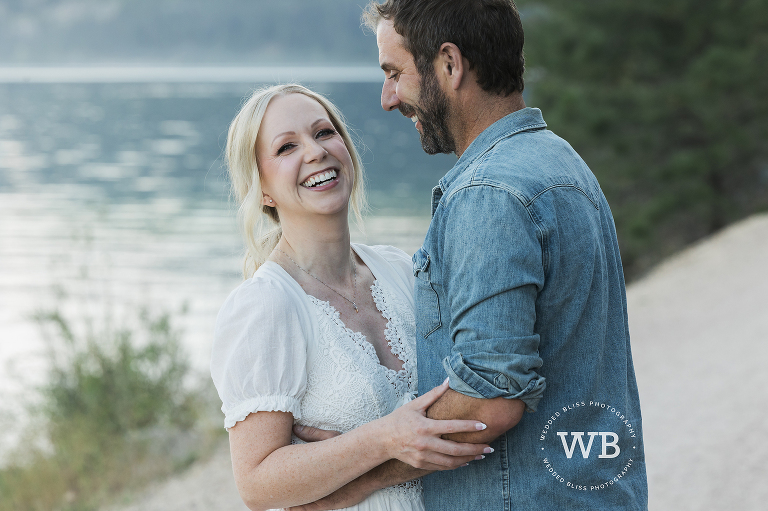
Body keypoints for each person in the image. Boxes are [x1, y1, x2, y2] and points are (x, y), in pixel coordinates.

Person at [290, 1, 649, 510]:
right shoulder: (559, 161)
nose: (388, 98)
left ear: (450, 65)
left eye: (395, 73)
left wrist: (362, 475)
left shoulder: (489, 192)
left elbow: (490, 398)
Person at [209, 83, 492, 511]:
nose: (315, 151)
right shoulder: (265, 306)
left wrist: (366, 470)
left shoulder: (399, 270)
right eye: (287, 147)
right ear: (262, 188)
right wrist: (382, 439)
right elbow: (257, 483)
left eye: (324, 133)